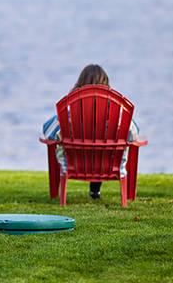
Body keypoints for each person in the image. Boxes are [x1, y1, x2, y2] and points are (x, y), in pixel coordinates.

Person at [42, 64, 139, 199]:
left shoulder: (68, 111)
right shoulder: (118, 114)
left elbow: (49, 132)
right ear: (106, 84)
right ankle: (96, 192)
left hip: (74, 165)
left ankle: (63, 194)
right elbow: (133, 135)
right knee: (99, 153)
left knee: (90, 152)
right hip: (109, 166)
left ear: (80, 83)